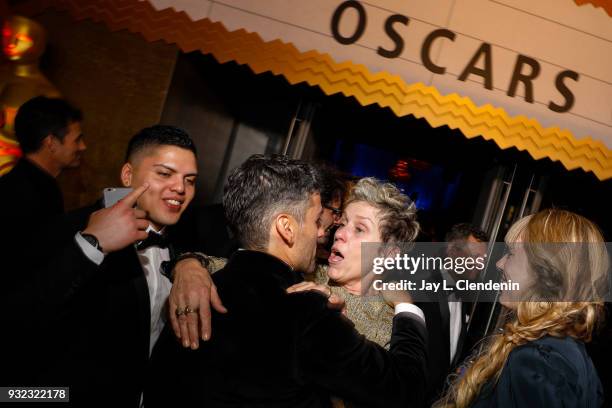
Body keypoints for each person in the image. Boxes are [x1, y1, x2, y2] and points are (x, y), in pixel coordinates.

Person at [150, 155, 428, 408]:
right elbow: (242, 265)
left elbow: (400, 389)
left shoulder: (395, 323)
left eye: (359, 229)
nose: (336, 233)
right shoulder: (304, 279)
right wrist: (187, 265)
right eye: (341, 223)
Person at [0, 125, 221, 407]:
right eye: (164, 174)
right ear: (128, 174)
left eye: (190, 180)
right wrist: (92, 245)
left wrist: (191, 262)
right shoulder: (65, 230)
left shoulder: (184, 240)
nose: (180, 188)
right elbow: (15, 319)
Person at [435, 209, 608, 407]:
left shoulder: (540, 362)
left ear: (545, 269)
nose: (499, 264)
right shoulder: (559, 351)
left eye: (510, 253)